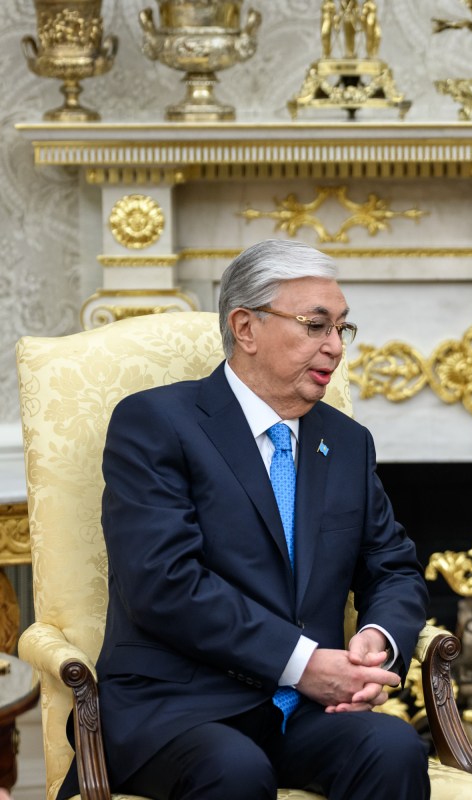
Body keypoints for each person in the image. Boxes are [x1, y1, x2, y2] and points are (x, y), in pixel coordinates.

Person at [59, 239, 431, 800]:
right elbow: (163, 583)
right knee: (234, 770)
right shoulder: (156, 423)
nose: (335, 347)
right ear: (246, 327)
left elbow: (393, 566)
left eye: (341, 329)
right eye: (315, 325)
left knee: (394, 747)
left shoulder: (347, 442)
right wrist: (303, 662)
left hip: (303, 712)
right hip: (179, 705)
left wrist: (376, 641)